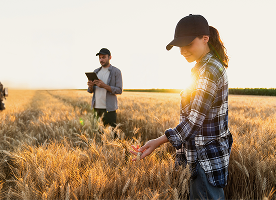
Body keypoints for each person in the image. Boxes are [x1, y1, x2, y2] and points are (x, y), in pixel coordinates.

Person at [130, 14, 233, 200]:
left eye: (188, 44)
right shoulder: (205, 67)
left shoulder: (208, 70)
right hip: (207, 156)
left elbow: (193, 122)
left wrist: (157, 141)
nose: (183, 51)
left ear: (205, 38)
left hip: (205, 159)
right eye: (180, 46)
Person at [87, 48, 123, 128]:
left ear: (110, 57)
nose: (101, 60)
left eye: (103, 57)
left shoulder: (116, 71)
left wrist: (104, 86)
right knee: (97, 135)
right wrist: (90, 86)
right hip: (96, 108)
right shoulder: (96, 71)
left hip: (109, 109)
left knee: (111, 135)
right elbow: (91, 91)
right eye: (100, 58)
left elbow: (119, 90)